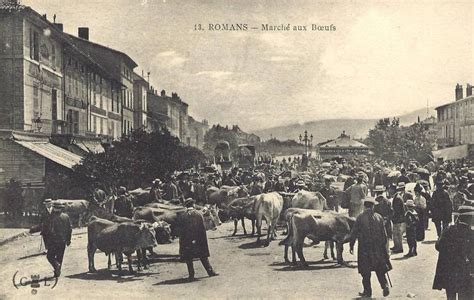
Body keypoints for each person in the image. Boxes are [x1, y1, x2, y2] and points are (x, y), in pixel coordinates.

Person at [345, 197, 392, 298]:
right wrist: (384, 248)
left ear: (364, 206)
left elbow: (354, 232)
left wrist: (351, 244)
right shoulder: (379, 217)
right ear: (373, 206)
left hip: (364, 249)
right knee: (380, 269)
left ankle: (368, 291)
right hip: (377, 249)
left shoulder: (360, 217)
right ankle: (384, 285)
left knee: (365, 271)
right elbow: (384, 235)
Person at [432, 211, 473, 300]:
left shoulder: (448, 230)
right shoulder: (471, 234)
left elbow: (438, 246)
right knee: (465, 294)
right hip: (464, 271)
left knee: (450, 294)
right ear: (470, 219)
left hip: (448, 270)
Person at [177, 198, 218, 281]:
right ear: (193, 205)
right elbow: (202, 228)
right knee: (203, 256)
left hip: (187, 241)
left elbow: (181, 231)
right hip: (198, 239)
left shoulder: (182, 216)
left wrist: (184, 241)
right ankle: (210, 272)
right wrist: (200, 240)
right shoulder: (198, 214)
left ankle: (191, 275)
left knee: (189, 258)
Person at [30, 201, 72, 277]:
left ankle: (56, 266)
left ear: (55, 208)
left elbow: (47, 228)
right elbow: (69, 229)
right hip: (63, 241)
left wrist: (33, 230)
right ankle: (57, 272)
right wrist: (68, 240)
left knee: (50, 256)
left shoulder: (51, 218)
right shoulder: (66, 216)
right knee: (60, 257)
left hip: (53, 241)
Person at [391, 183, 407, 254]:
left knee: (397, 233)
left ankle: (399, 247)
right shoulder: (397, 197)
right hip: (398, 218)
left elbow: (396, 210)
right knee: (395, 233)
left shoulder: (397, 198)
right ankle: (396, 245)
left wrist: (392, 215)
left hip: (398, 218)